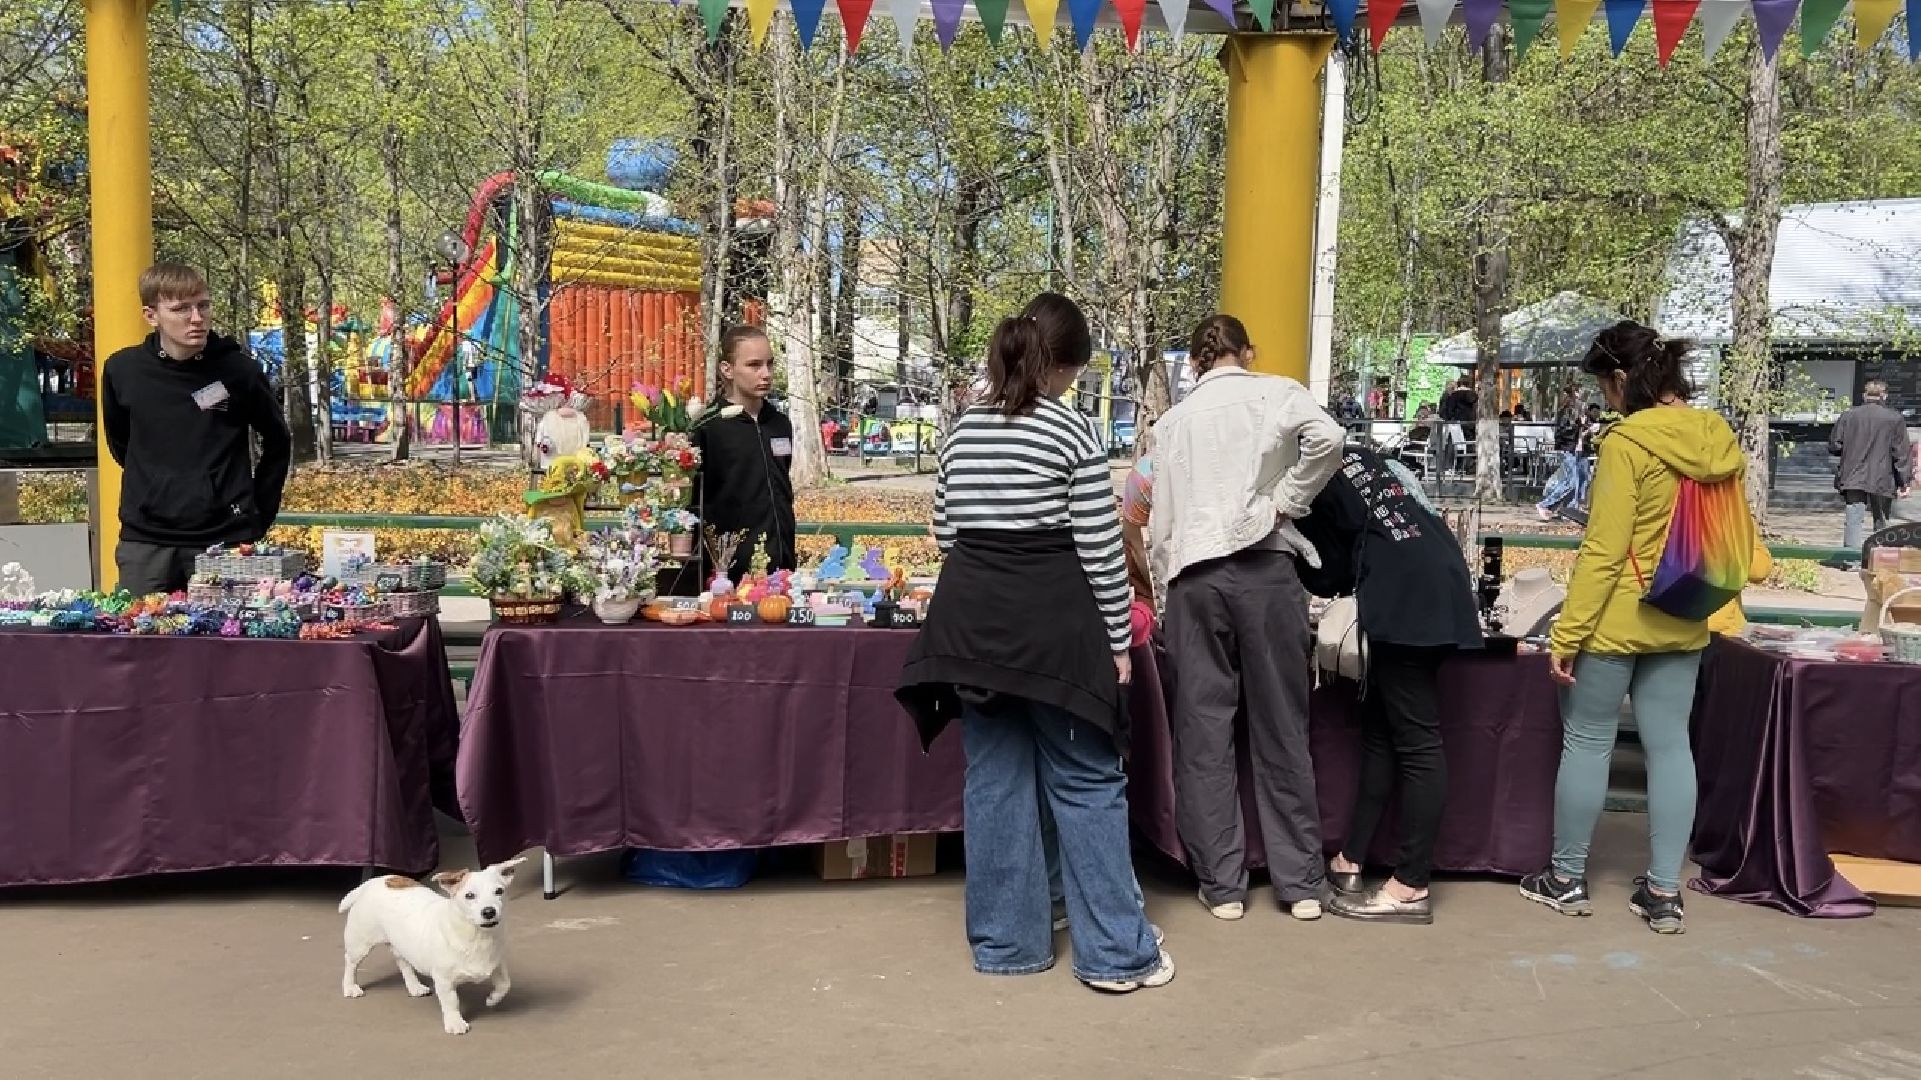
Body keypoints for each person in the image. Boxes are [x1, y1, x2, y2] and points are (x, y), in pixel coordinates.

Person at [897, 292, 1171, 994]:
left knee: (995, 780)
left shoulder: (965, 427)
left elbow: (947, 531)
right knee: (1086, 781)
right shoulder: (1070, 429)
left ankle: (1007, 945)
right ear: (1068, 365)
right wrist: (1116, 640)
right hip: (1054, 630)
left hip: (970, 626)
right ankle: (1116, 955)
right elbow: (1100, 549)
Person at [1520, 320, 1755, 936]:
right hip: (1686, 611)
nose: (1605, 398)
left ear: (1621, 378)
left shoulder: (1626, 443)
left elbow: (1603, 549)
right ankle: (1663, 891)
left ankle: (1566, 879)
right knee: (1671, 746)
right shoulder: (1717, 436)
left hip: (1617, 618)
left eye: (1604, 386)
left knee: (1587, 741)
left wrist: (1567, 634)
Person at [1149, 314, 1344, 922]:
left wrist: (1165, 591)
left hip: (1194, 577)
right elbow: (1330, 438)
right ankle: (1301, 883)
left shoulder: (1171, 423)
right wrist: (1285, 502)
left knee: (1202, 732)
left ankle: (1222, 885)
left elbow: (1161, 522)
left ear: (1196, 363)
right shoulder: (1277, 392)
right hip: (1266, 568)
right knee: (1282, 723)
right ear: (1248, 352)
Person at [1291, 446, 1483, 926]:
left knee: (1418, 741)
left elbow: (1330, 573)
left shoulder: (1307, 477)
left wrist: (1292, 550)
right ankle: (1351, 859)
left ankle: (1411, 885)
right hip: (1442, 580)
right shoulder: (1367, 458)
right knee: (1381, 730)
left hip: (1405, 600)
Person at [101, 262, 291, 596]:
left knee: (229, 630)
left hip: (226, 539)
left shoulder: (239, 371)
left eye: (203, 305)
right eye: (181, 309)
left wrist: (257, 512)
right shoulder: (123, 370)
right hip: (146, 541)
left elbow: (278, 440)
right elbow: (122, 445)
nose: (196, 318)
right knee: (136, 628)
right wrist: (157, 486)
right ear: (151, 315)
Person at [690, 326, 796, 583]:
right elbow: (692, 502)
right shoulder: (708, 426)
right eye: (754, 365)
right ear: (727, 369)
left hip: (781, 566)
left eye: (770, 364)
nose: (766, 374)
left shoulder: (780, 423)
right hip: (728, 572)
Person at [1829, 380, 1913, 556]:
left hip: (1852, 475)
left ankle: (1850, 558)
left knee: (1853, 519)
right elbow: (1901, 452)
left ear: (1864, 396)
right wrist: (1904, 481)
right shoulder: (1894, 418)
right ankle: (1880, 558)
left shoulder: (1848, 416)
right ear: (1885, 396)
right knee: (1881, 520)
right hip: (1883, 476)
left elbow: (1835, 446)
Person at [1537, 403, 1603, 521]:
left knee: (1581, 482)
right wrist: (1584, 428)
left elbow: (1583, 437)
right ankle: (1545, 504)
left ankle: (1569, 511)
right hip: (1569, 451)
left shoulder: (1585, 419)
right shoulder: (1568, 417)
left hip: (1581, 452)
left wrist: (1589, 431)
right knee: (1571, 482)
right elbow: (1566, 434)